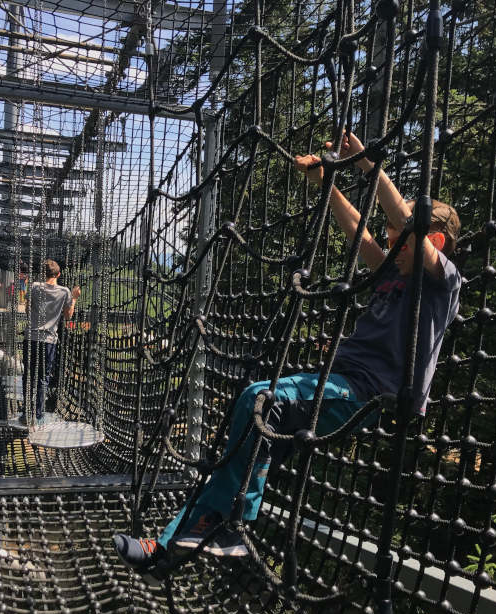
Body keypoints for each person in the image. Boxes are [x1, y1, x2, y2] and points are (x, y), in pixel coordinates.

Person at [112, 132, 462, 571]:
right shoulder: (394, 268)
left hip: (370, 393)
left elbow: (406, 225)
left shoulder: (441, 281)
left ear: (435, 243)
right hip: (341, 381)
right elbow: (360, 235)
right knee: (242, 436)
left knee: (263, 399)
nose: (391, 244)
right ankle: (170, 547)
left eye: (402, 238)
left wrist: (367, 166)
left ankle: (232, 526)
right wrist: (326, 183)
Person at [21, 259, 80, 426]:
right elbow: (68, 316)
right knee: (43, 378)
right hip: (49, 341)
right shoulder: (65, 291)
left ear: (42, 274)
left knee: (29, 375)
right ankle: (38, 416)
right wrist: (74, 298)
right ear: (58, 274)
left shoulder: (34, 287)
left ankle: (26, 413)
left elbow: (27, 310)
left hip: (31, 338)